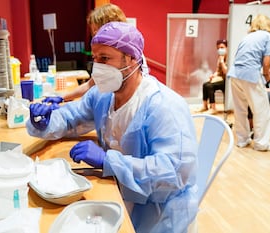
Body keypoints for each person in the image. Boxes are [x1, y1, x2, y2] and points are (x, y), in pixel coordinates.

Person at [26, 22, 198, 233]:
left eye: (105, 59)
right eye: (95, 59)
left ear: (132, 59)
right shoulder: (103, 95)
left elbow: (171, 172)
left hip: (158, 211)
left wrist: (109, 161)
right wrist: (45, 121)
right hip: (117, 190)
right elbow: (72, 116)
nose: (97, 68)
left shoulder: (164, 107)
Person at [44, 3, 149, 104]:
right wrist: (61, 97)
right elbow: (91, 84)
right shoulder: (112, 54)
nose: (95, 37)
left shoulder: (127, 57)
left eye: (96, 31)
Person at [227, 14, 270, 151]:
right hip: (250, 75)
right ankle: (261, 143)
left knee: (240, 109)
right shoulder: (269, 37)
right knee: (261, 110)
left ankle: (242, 140)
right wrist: (267, 76)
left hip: (235, 74)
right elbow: (266, 63)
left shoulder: (247, 37)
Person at [198, 39, 228, 114]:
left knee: (210, 86)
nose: (220, 50)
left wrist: (222, 61)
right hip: (221, 79)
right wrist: (213, 76)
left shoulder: (229, 58)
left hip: (228, 80)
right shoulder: (220, 57)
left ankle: (213, 108)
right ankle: (205, 106)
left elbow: (226, 72)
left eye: (222, 47)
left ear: (227, 47)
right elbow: (218, 71)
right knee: (205, 84)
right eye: (218, 48)